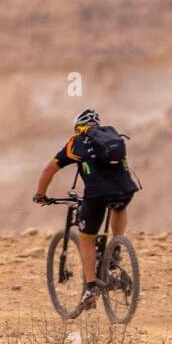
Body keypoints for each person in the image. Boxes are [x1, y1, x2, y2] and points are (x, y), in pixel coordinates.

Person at [33, 109, 140, 306]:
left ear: (78, 127)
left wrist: (40, 194)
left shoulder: (76, 141)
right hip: (126, 188)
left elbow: (49, 169)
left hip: (97, 194)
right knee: (118, 206)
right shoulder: (113, 137)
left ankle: (91, 287)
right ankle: (116, 246)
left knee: (86, 238)